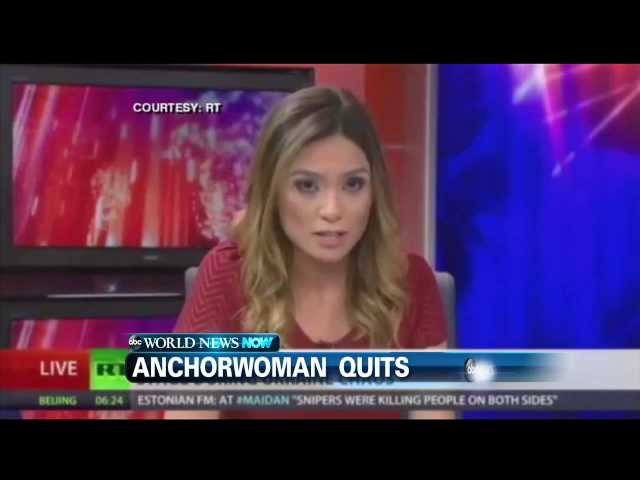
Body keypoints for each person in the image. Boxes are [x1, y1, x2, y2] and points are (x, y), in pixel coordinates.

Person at [167, 86, 452, 419]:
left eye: (353, 184)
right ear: (273, 191)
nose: (332, 210)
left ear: (375, 190)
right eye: (307, 186)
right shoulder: (228, 275)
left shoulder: (409, 282)